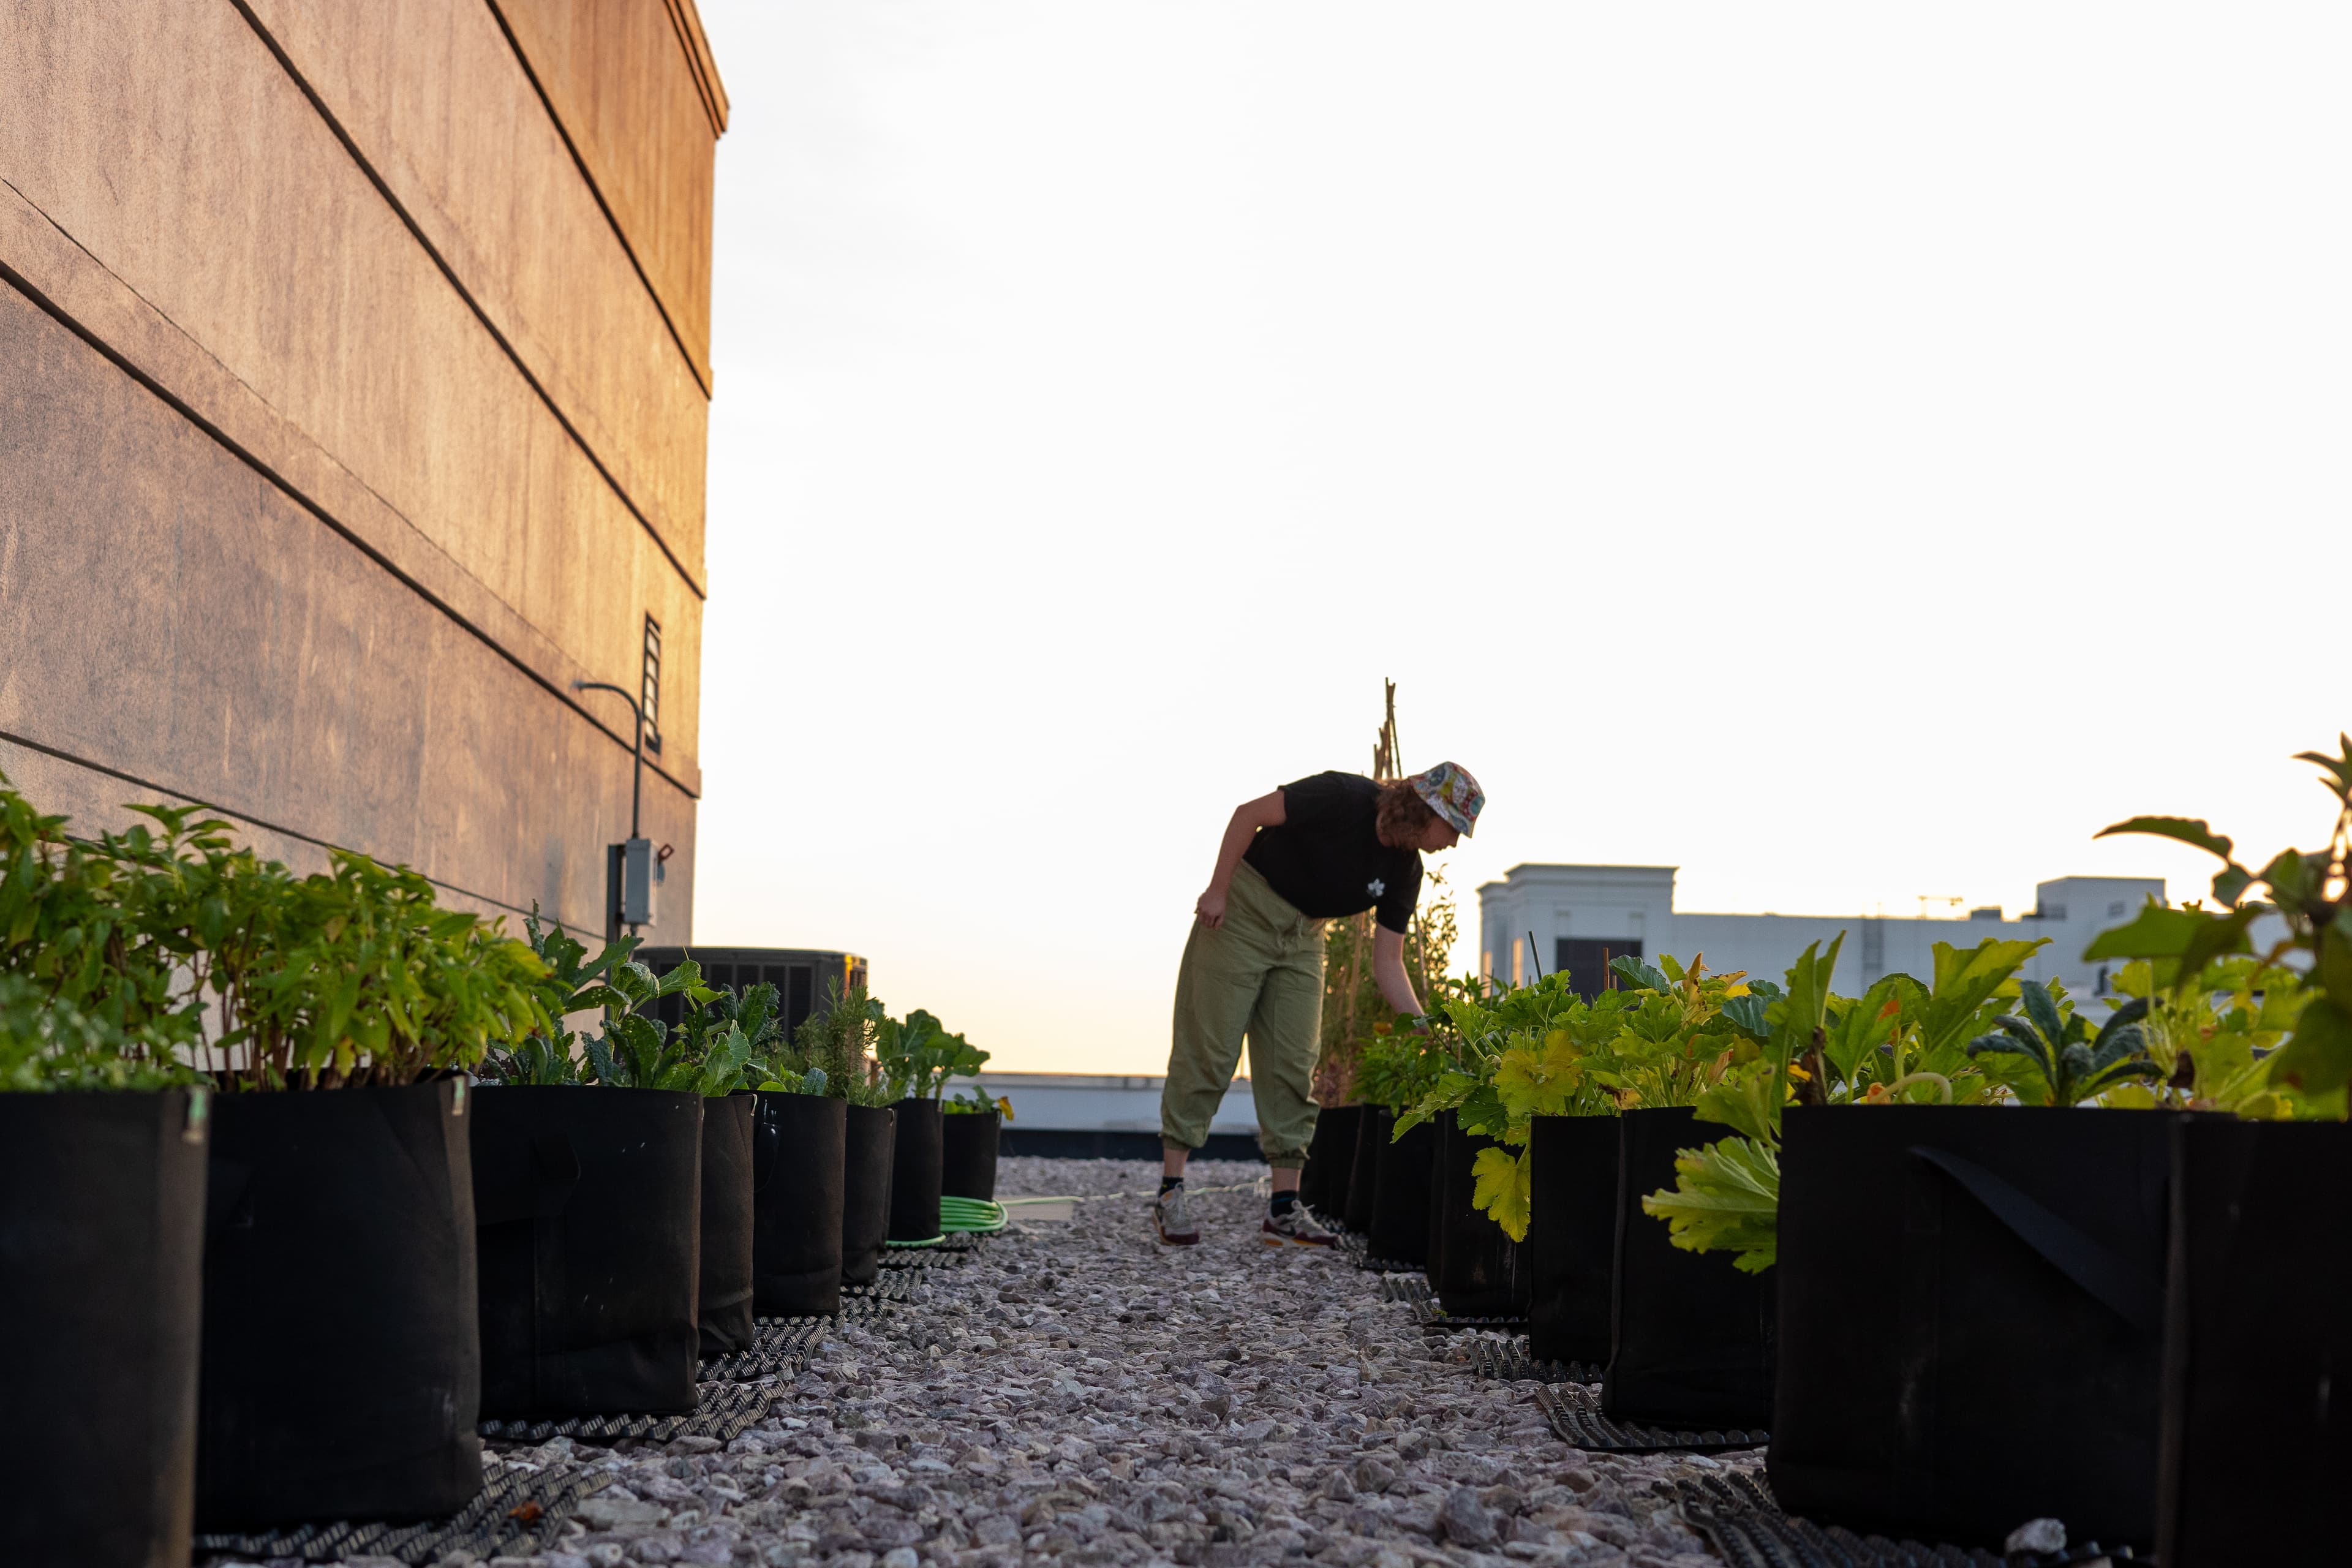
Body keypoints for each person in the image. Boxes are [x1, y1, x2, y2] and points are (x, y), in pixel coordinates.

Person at [1155, 761, 1484, 1246]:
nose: (1453, 843)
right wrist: (1218, 890)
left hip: (1304, 938)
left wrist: (1421, 1025)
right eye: (1453, 829)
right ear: (1426, 809)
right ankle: (1170, 1191)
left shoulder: (1405, 871)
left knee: (1294, 1063)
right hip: (1242, 914)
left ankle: (1284, 1211)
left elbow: (1388, 962)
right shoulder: (1343, 796)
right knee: (1211, 1051)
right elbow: (1248, 815)